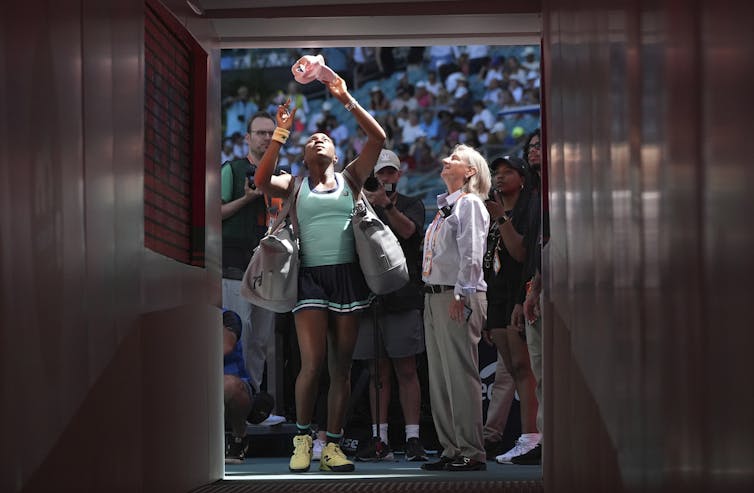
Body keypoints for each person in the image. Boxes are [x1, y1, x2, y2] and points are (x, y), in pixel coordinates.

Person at [254, 69, 386, 473]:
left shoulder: (352, 178)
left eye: (325, 138)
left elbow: (378, 139)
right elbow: (261, 179)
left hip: (347, 277)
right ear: (305, 155)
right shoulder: (294, 184)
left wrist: (347, 99)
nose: (318, 140)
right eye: (312, 140)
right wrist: (280, 132)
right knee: (311, 363)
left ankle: (331, 443)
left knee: (341, 367)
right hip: (310, 277)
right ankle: (303, 439)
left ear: (333, 151)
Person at [352, 149, 428, 463]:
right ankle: (378, 438)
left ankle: (412, 439)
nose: (383, 179)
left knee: (407, 370)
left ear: (398, 175)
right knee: (376, 372)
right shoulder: (357, 206)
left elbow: (410, 231)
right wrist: (367, 202)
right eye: (378, 173)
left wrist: (386, 205)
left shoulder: (411, 204)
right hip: (370, 298)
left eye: (388, 173)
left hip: (403, 297)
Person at [420, 144, 491, 472]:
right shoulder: (445, 208)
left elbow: (472, 253)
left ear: (470, 172)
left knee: (460, 374)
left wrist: (461, 295)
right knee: (441, 377)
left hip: (455, 294)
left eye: (455, 159)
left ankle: (470, 450)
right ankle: (451, 448)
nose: (446, 160)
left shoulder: (471, 204)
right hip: (435, 295)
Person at [220, 112, 285, 426]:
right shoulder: (231, 171)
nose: (264, 138)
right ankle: (239, 408)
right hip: (234, 269)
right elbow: (213, 214)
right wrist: (247, 200)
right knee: (239, 338)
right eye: (259, 133)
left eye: (270, 134)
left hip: (268, 270)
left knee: (261, 341)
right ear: (246, 138)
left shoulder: (281, 177)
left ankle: (255, 408)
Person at [482, 156, 541, 465]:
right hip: (495, 296)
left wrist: (502, 220)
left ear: (522, 177)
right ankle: (527, 438)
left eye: (508, 172)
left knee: (523, 368)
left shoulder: (528, 208)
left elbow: (520, 254)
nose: (500, 177)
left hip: (517, 294)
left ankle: (532, 437)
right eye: (497, 172)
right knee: (513, 367)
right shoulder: (492, 209)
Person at [510, 129, 547, 465]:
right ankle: (545, 438)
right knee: (540, 372)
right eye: (531, 146)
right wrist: (526, 295)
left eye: (540, 144)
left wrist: (535, 289)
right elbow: (531, 252)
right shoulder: (532, 195)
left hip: (551, 288)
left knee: (550, 371)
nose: (535, 150)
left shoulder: (552, 190)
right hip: (533, 291)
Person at [222, 309, 274, 464]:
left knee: (231, 386)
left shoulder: (227, 316)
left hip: (227, 392)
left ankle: (238, 438)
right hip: (193, 389)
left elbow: (226, 346)